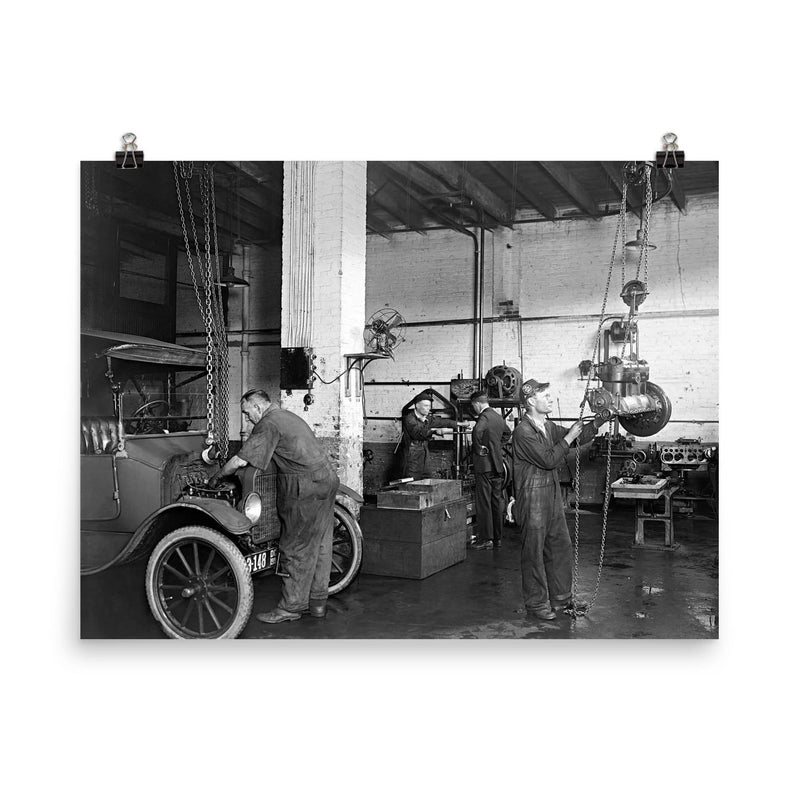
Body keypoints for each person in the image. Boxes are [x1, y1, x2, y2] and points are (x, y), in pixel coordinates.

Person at [208, 389, 339, 624]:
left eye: (247, 413)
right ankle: (317, 603)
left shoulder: (268, 423)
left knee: (295, 546)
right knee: (320, 543)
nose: (247, 419)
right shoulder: (288, 417)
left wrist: (217, 476)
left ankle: (291, 607)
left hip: (304, 486)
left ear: (258, 407)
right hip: (326, 479)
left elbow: (241, 460)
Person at [512, 378, 605, 620]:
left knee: (560, 547)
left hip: (550, 495)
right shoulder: (523, 431)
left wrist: (600, 419)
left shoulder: (548, 426)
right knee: (533, 553)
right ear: (531, 401)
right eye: (546, 396)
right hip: (531, 497)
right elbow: (549, 459)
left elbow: (578, 437)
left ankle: (561, 598)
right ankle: (536, 604)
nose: (551, 399)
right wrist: (569, 437)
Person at [468, 390, 511, 550]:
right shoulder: (498, 417)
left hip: (484, 466)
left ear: (477, 404)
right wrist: (496, 446)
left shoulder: (484, 417)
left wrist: (479, 448)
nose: (474, 409)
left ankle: (486, 539)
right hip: (498, 466)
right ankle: (497, 538)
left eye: (473, 407)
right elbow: (507, 433)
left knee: (484, 502)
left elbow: (476, 431)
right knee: (496, 501)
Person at [398, 391, 469, 480]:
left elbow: (442, 422)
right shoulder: (409, 419)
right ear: (417, 405)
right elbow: (418, 433)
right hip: (411, 456)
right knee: (412, 481)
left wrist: (460, 424)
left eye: (429, 406)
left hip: (424, 454)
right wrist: (434, 431)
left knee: (427, 478)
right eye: (426, 406)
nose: (428, 409)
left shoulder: (427, 418)